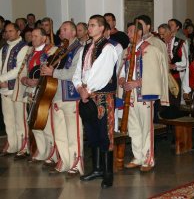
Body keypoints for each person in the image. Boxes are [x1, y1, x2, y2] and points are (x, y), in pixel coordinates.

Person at [73, 15, 118, 188]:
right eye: (89, 25)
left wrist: (88, 90)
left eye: (92, 25)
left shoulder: (108, 48)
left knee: (105, 135)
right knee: (92, 133)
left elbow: (102, 74)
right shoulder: (86, 48)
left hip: (101, 98)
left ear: (101, 28)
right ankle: (97, 168)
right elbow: (78, 71)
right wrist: (79, 87)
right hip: (86, 94)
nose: (89, 28)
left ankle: (108, 173)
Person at [118, 22, 168, 172]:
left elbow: (155, 75)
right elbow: (122, 70)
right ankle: (137, 156)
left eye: (131, 31)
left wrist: (136, 83)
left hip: (144, 92)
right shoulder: (127, 50)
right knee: (133, 127)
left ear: (139, 33)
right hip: (129, 93)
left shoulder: (150, 50)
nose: (128, 34)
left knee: (146, 127)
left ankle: (148, 159)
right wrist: (121, 79)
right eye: (127, 32)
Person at [41, 21, 83, 178]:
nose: (61, 32)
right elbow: (51, 67)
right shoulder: (60, 50)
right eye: (61, 30)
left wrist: (53, 72)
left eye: (65, 29)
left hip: (71, 96)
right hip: (55, 95)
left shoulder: (80, 49)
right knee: (59, 133)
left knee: (73, 133)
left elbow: (74, 73)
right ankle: (64, 162)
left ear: (73, 33)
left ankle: (76, 165)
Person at [12, 28, 57, 162]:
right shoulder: (29, 51)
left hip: (45, 91)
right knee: (34, 123)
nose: (33, 38)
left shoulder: (52, 51)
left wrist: (38, 81)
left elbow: (53, 71)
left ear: (44, 38)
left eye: (36, 36)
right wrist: (25, 80)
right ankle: (41, 152)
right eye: (32, 36)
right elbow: (23, 70)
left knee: (46, 124)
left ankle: (52, 155)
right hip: (30, 91)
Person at [0, 23, 29, 157]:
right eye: (7, 31)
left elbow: (19, 69)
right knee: (8, 119)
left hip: (17, 89)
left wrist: (2, 79)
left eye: (11, 31)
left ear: (18, 32)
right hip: (4, 89)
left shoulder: (24, 47)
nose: (9, 33)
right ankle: (13, 145)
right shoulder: (4, 48)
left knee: (20, 120)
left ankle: (24, 147)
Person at [158, 23, 188, 118]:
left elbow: (185, 63)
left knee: (174, 106)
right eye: (160, 34)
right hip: (162, 79)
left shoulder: (180, 43)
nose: (161, 37)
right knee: (163, 106)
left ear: (170, 32)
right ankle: (166, 127)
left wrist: (173, 66)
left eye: (163, 34)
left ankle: (174, 129)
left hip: (174, 78)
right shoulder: (160, 44)